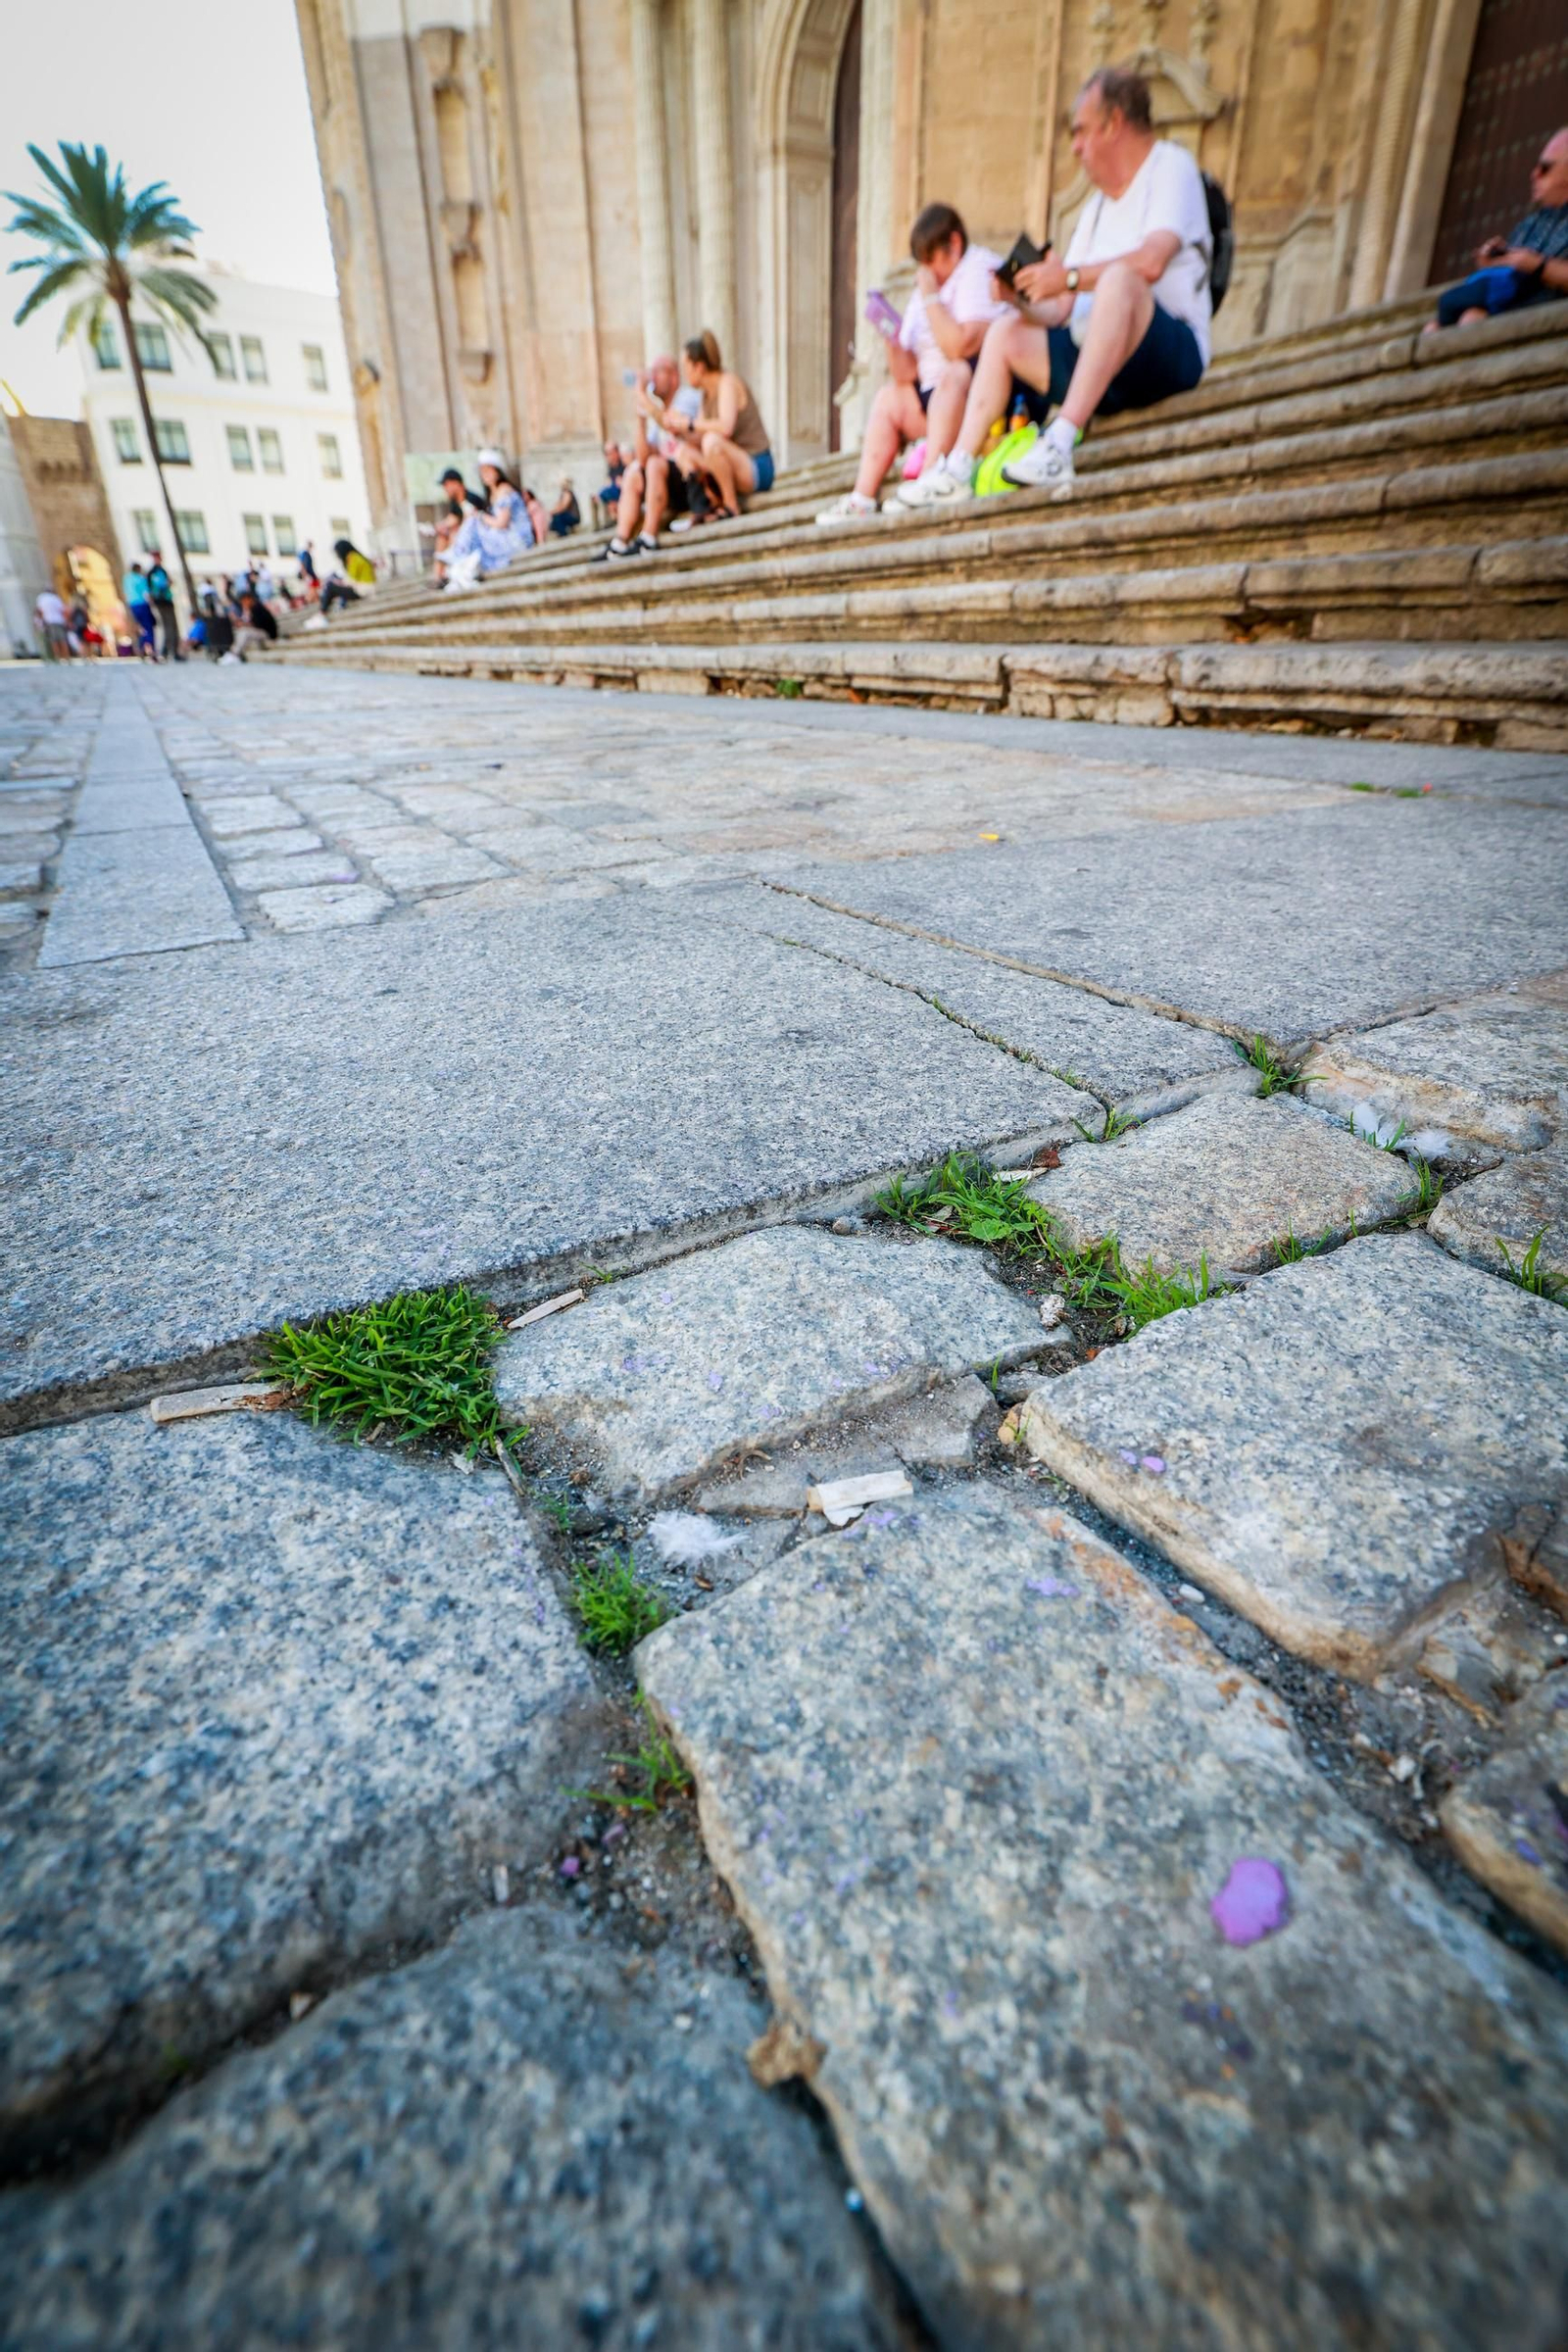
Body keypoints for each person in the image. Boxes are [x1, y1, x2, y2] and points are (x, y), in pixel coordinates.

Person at [900, 65, 1211, 507]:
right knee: (1006, 331)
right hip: (1100, 364)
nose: (1076, 147)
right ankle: (958, 467)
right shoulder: (1095, 209)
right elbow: (1061, 311)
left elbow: (1151, 261)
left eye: (1081, 131)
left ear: (1113, 123)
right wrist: (1021, 301)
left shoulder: (1171, 166)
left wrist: (1066, 277)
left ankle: (1060, 441)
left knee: (1122, 279)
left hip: (1168, 354)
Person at [816, 203, 1004, 524]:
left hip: (977, 394)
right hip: (933, 399)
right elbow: (906, 374)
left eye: (931, 259)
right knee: (888, 398)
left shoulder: (977, 268)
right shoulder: (924, 291)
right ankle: (862, 498)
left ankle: (929, 479)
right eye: (922, 262)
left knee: (954, 373)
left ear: (954, 243)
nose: (926, 271)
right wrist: (890, 337)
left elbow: (961, 347)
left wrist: (931, 297)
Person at [1426, 128, 1568, 331]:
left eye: (1545, 168)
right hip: (1517, 309)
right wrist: (1496, 263)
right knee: (1434, 327)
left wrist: (1536, 265)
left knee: (1472, 319)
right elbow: (1511, 280)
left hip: (1549, 314)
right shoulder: (1531, 223)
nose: (1534, 174)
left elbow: (1532, 267)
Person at [595, 357, 710, 561]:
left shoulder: (687, 397)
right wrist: (640, 420)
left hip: (692, 479)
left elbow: (672, 426)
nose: (652, 377)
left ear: (673, 377)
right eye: (652, 371)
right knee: (634, 471)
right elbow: (642, 457)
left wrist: (642, 395)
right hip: (666, 484)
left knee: (655, 464)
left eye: (658, 371)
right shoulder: (659, 410)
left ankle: (648, 537)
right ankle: (620, 541)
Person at [680, 331, 774, 517]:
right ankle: (703, 506)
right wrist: (677, 427)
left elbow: (725, 427)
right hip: (735, 466)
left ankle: (731, 505)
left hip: (757, 467)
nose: (685, 373)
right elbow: (697, 436)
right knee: (685, 451)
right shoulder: (705, 395)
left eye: (686, 367)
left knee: (711, 441)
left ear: (699, 367)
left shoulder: (727, 382)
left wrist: (689, 423)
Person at [443, 451, 533, 589]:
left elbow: (502, 523)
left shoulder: (504, 489)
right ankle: (458, 560)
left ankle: (456, 555)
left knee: (474, 522)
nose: (484, 475)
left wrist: (479, 516)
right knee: (472, 522)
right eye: (482, 472)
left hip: (517, 539)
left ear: (497, 471)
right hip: (504, 536)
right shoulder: (492, 494)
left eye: (487, 471)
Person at [432, 466, 487, 580]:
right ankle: (438, 577)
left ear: (456, 483)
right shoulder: (455, 503)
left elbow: (471, 524)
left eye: (446, 485)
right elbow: (450, 521)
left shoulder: (472, 499)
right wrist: (436, 528)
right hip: (463, 541)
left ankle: (448, 573)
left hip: (479, 539)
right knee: (443, 536)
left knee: (453, 533)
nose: (445, 489)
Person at [146, 550, 184, 661]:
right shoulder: (154, 572)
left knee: (172, 626)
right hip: (161, 601)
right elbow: (158, 585)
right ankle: (168, 650)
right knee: (169, 626)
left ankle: (170, 650)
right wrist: (167, 583)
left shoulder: (161, 570)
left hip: (167, 600)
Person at [122, 561, 158, 658]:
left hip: (132, 605)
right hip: (142, 604)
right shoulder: (140, 578)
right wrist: (152, 602)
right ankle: (151, 649)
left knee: (140, 627)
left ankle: (141, 648)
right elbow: (146, 592)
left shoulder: (127, 579)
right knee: (148, 627)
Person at [33, 585, 71, 661]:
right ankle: (66, 656)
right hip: (59, 621)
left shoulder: (42, 598)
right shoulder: (55, 598)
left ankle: (57, 656)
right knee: (62, 639)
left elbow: (40, 611)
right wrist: (67, 621)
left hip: (49, 621)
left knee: (54, 640)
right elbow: (63, 610)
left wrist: (40, 622)